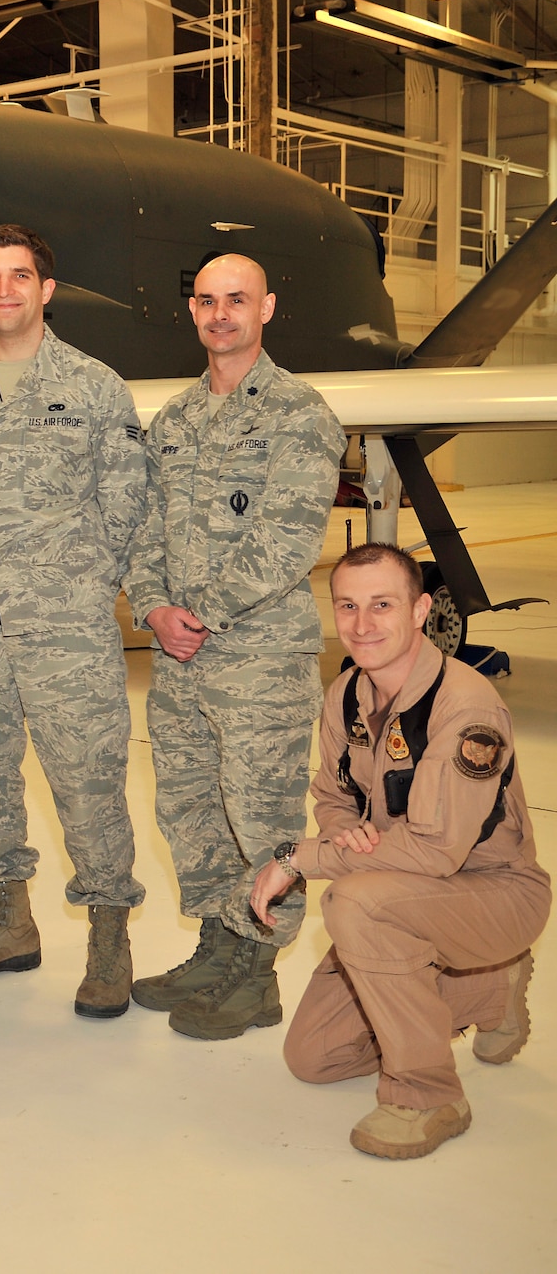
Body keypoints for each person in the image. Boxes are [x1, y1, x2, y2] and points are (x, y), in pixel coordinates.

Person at [254, 543, 547, 1159]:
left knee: (354, 903)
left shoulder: (464, 705)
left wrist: (299, 858)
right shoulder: (346, 694)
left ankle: (427, 1095)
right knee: (314, 1056)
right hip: (402, 888)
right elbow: (331, 791)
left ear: (420, 611)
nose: (362, 625)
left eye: (382, 605)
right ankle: (487, 991)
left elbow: (437, 851)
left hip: (495, 892)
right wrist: (339, 831)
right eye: (348, 607)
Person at [0, 224, 149, 1017]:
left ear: (45, 290)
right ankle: (10, 919)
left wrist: (79, 591)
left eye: (20, 275)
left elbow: (128, 508)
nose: (6, 289)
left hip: (65, 630)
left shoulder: (94, 386)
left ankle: (109, 932)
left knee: (88, 780)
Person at [124, 254, 345, 1039]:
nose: (222, 314)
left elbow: (288, 540)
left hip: (257, 660)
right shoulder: (176, 420)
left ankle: (258, 970)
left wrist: (199, 614)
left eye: (237, 301)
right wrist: (152, 606)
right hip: (181, 661)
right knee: (193, 811)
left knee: (262, 815)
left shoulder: (299, 412)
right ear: (192, 311)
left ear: (267, 308)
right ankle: (219, 943)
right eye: (209, 301)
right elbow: (142, 530)